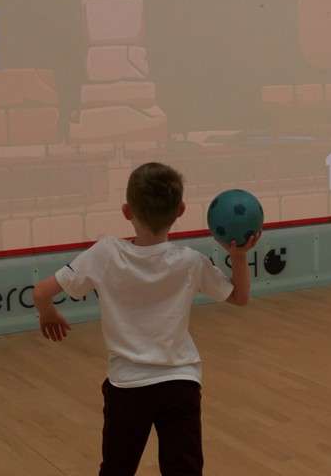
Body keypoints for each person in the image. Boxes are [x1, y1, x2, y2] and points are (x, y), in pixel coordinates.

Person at [32, 162, 259, 476]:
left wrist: (48, 313)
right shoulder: (190, 261)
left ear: (127, 211)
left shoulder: (105, 253)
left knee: (116, 469)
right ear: (180, 210)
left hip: (127, 387)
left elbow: (41, 292)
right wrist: (238, 256)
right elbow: (240, 297)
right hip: (180, 384)